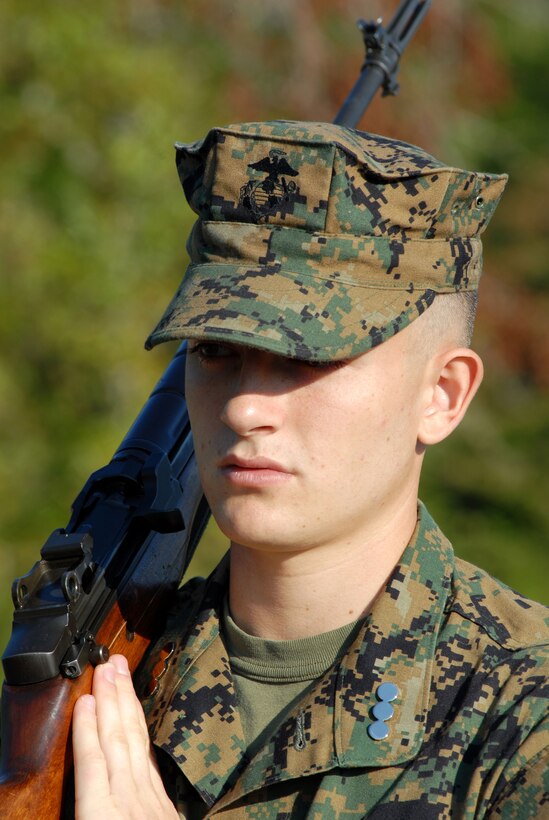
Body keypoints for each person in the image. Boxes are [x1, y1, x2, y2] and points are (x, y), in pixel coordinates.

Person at [72, 121, 548, 819]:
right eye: (214, 352)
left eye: (310, 359)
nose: (244, 409)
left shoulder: (519, 717)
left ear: (441, 396)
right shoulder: (100, 682)